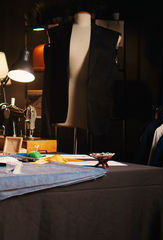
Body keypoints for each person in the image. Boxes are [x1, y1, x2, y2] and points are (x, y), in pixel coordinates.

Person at [42, 10, 120, 146]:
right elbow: (50, 79)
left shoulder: (110, 37)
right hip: (63, 108)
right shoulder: (57, 34)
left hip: (94, 110)